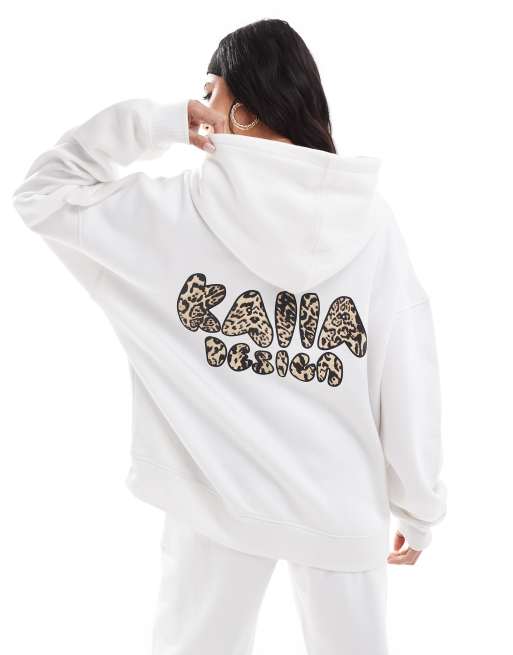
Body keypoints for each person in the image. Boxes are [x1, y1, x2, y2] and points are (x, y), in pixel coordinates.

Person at [12, 17, 447, 655]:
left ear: (238, 107)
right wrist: (419, 503)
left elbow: (44, 191)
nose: (202, 106)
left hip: (215, 493)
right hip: (339, 503)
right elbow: (405, 369)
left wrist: (156, 125)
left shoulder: (172, 214)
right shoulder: (370, 222)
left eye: (209, 91)